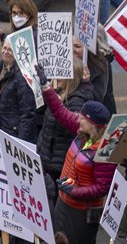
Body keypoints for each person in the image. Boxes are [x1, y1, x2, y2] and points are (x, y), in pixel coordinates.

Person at [41, 77, 113, 244]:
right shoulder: (83, 132)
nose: (77, 119)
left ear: (93, 124)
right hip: (64, 205)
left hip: (82, 215)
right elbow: (61, 113)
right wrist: (46, 89)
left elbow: (102, 187)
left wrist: (75, 191)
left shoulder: (106, 151)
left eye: (82, 118)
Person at [38, 45, 95, 198]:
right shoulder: (60, 91)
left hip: (60, 164)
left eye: (62, 73)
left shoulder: (77, 100)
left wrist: (46, 89)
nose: (57, 76)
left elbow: (68, 120)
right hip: (50, 158)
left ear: (71, 78)